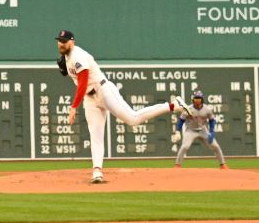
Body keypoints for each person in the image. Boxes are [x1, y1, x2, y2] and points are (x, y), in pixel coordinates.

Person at [56, 30, 177, 184]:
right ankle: (97, 171)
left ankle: (171, 106)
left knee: (133, 119)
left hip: (103, 90)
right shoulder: (67, 57)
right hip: (90, 98)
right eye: (59, 40)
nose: (61, 43)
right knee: (95, 135)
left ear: (72, 42)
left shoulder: (78, 56)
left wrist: (74, 107)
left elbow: (83, 82)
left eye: (64, 41)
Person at [172, 91, 227, 169]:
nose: (197, 100)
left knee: (215, 146)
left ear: (202, 99)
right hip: (190, 130)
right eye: (196, 98)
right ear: (193, 99)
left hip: (203, 130)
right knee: (185, 146)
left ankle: (223, 164)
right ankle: (177, 165)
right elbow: (181, 120)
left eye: (199, 98)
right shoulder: (188, 109)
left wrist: (212, 132)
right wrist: (178, 131)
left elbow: (212, 120)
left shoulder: (207, 109)